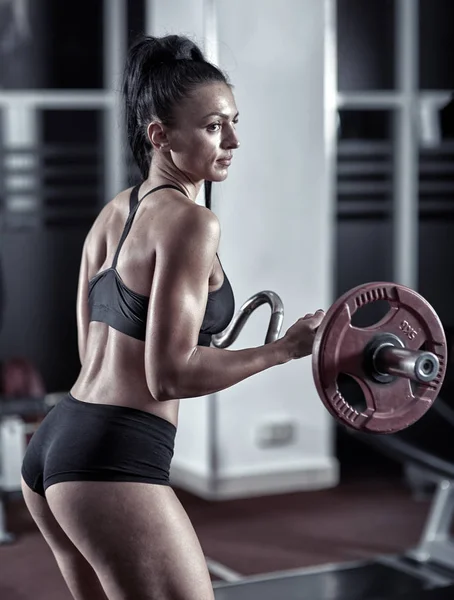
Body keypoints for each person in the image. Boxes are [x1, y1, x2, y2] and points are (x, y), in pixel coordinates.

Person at [20, 34, 325, 600]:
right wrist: (284, 349)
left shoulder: (115, 212)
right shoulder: (191, 222)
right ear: (159, 134)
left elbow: (93, 355)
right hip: (113, 460)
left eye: (234, 122)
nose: (233, 140)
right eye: (214, 127)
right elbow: (169, 376)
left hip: (57, 443)